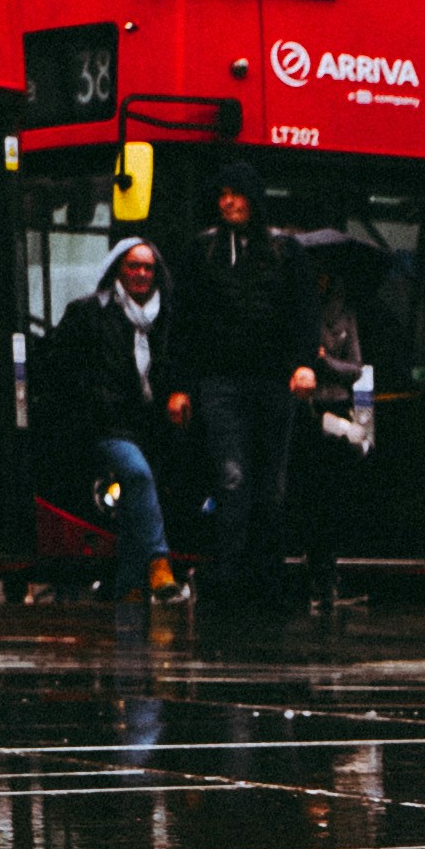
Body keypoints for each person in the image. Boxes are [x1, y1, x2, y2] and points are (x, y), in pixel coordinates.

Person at [170, 180, 315, 614]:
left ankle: (265, 582)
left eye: (236, 193)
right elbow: (185, 321)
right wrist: (180, 385)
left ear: (255, 198)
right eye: (222, 194)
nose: (228, 202)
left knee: (270, 486)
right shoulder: (204, 251)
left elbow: (303, 313)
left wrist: (303, 364)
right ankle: (229, 580)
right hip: (222, 383)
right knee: (232, 480)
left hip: (272, 383)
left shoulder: (285, 251)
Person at [59, 237, 182, 611]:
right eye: (133, 266)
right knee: (137, 475)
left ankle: (129, 592)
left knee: (134, 500)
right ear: (118, 270)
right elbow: (61, 366)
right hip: (105, 424)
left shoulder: (168, 317)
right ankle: (159, 561)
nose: (141, 274)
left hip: (152, 427)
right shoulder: (89, 312)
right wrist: (89, 402)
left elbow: (179, 366)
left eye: (148, 267)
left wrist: (179, 394)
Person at [291, 231, 381, 614]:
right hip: (308, 417)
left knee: (333, 501)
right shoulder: (296, 314)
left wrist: (324, 361)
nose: (321, 280)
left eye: (325, 274)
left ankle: (328, 579)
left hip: (339, 416)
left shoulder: (345, 314)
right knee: (311, 499)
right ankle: (316, 580)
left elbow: (356, 368)